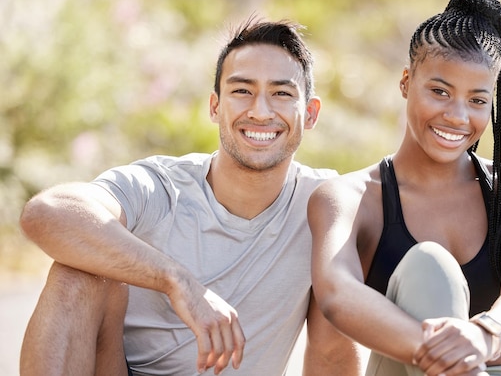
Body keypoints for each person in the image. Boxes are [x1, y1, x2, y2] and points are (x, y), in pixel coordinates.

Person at [19, 19, 360, 376]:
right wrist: (176, 281)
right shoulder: (161, 187)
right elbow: (46, 213)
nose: (260, 111)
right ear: (215, 107)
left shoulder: (325, 205)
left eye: (281, 93)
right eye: (242, 91)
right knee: (77, 272)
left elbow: (333, 353)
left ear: (310, 113)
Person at [308, 0, 501, 376]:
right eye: (439, 91)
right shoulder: (350, 198)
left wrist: (482, 336)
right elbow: (336, 293)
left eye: (477, 100)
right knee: (430, 265)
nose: (457, 116)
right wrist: (451, 354)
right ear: (405, 82)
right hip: (409, 368)